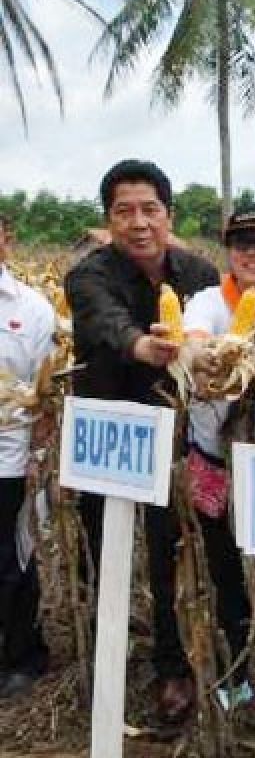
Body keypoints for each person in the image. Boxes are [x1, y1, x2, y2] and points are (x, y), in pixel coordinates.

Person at [64, 159, 220, 722]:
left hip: (176, 438)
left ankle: (173, 667)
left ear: (168, 215)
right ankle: (103, 657)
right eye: (124, 211)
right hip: (109, 439)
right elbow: (104, 321)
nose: (138, 222)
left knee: (171, 553)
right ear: (108, 219)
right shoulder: (89, 274)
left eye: (149, 209)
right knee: (104, 550)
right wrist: (142, 346)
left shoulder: (198, 273)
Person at [183, 205, 255, 696]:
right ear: (228, 251)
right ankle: (236, 674)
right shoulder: (208, 302)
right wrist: (210, 355)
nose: (253, 253)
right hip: (213, 458)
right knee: (224, 568)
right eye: (243, 243)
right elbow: (196, 342)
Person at [0, 214, 56, 699]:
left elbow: (47, 389)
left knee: (13, 559)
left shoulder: (32, 309)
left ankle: (22, 657)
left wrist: (39, 455)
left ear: (6, 237)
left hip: (9, 457)